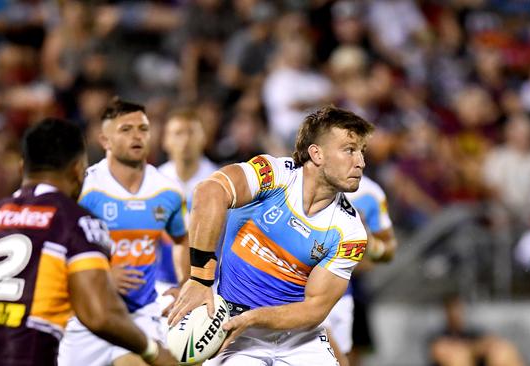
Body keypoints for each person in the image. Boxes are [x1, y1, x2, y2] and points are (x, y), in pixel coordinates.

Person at [0, 118, 176, 366]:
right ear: (78, 169)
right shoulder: (75, 222)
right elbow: (98, 315)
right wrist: (152, 350)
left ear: (22, 168)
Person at [169, 105, 374, 365]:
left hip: (299, 340)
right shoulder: (273, 175)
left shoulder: (351, 231)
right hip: (236, 333)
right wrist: (200, 278)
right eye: (349, 150)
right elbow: (209, 192)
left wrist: (255, 317)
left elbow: (314, 309)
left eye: (361, 152)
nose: (361, 162)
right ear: (316, 153)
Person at [58, 99, 189, 366]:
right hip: (86, 315)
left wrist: (184, 284)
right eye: (126, 129)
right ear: (104, 140)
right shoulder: (83, 189)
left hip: (139, 314)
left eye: (143, 128)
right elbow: (56, 247)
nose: (137, 136)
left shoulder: (168, 190)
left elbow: (182, 239)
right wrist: (101, 275)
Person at [322, 175, 398, 366]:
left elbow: (388, 250)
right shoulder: (297, 178)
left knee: (343, 357)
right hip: (294, 289)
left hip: (345, 293)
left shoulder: (370, 193)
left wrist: (370, 246)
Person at [156, 108, 217, 307]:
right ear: (165, 140)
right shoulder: (153, 184)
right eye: (178, 133)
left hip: (209, 284)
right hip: (161, 284)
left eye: (191, 132)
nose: (185, 140)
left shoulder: (219, 183)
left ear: (204, 138)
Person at [429, 295, 524, 366]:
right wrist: (474, 349)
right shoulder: (438, 335)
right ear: (446, 312)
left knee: (503, 350)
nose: (456, 314)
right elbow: (440, 352)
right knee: (458, 358)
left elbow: (491, 342)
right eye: (453, 310)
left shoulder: (472, 332)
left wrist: (473, 349)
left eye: (459, 310)